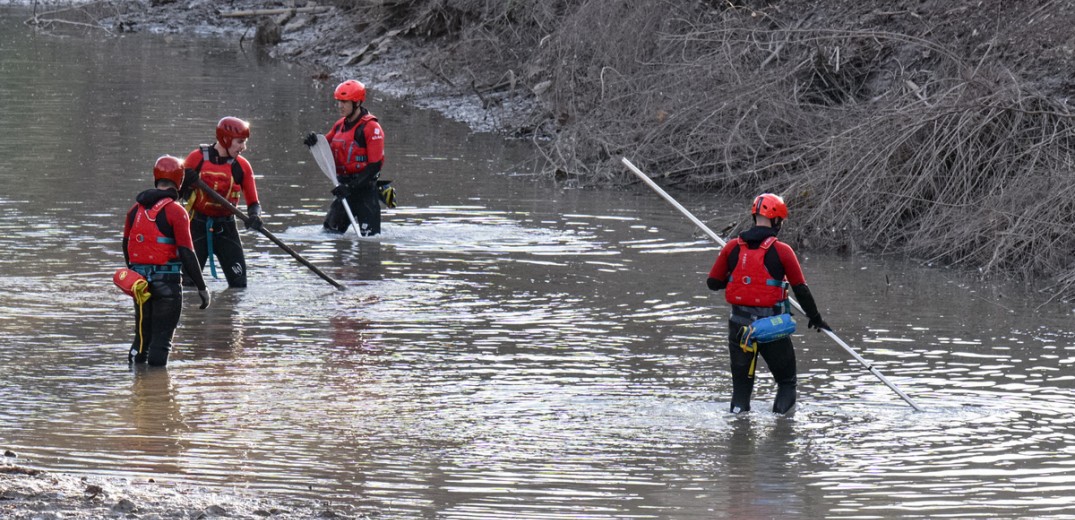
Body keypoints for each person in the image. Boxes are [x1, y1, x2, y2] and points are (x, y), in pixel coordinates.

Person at [706, 193, 831, 414]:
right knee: (786, 383)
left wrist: (740, 279)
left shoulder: (732, 248)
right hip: (771, 327)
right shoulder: (783, 251)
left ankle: (738, 434)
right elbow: (800, 289)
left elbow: (713, 283)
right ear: (776, 221)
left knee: (740, 392)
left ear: (755, 216)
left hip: (739, 327)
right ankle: (782, 435)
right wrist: (816, 318)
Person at [123, 155, 211, 366]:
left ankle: (135, 382)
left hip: (140, 285)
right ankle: (155, 393)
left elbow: (126, 246)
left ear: (156, 178)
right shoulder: (176, 211)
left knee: (141, 339)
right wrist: (202, 288)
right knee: (161, 343)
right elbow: (187, 253)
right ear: (179, 181)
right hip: (168, 286)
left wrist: (135, 274)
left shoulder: (134, 210)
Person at [180, 116, 263, 288]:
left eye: (244, 142)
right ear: (226, 139)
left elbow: (253, 202)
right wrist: (184, 181)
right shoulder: (196, 159)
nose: (243, 147)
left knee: (239, 286)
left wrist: (254, 216)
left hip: (227, 229)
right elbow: (175, 195)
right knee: (187, 287)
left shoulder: (242, 166)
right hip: (197, 226)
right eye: (240, 142)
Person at [303, 79, 386, 236]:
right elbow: (324, 147)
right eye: (339, 101)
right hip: (344, 190)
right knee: (329, 233)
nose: (340, 106)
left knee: (370, 241)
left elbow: (375, 166)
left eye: (345, 102)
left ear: (357, 103)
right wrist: (313, 141)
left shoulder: (371, 128)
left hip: (364, 191)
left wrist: (351, 187)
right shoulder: (339, 125)